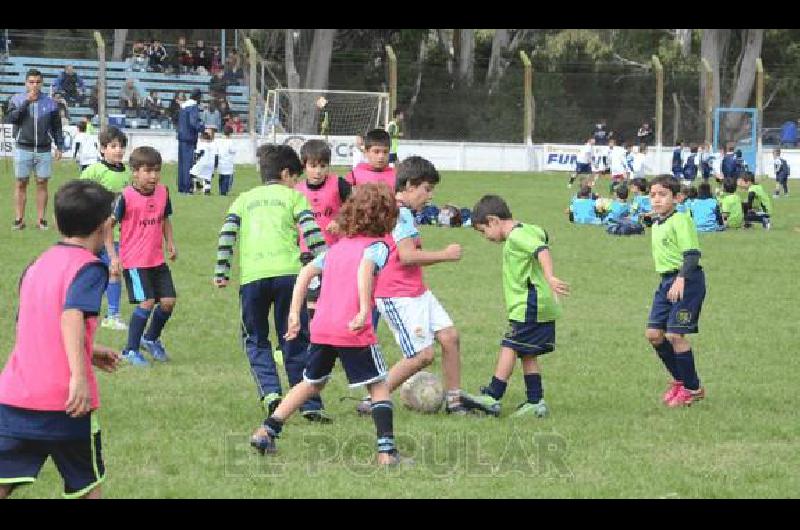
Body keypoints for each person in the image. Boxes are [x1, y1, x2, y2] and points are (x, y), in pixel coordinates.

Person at [250, 183, 406, 465]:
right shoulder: (378, 246)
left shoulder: (337, 248)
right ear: (387, 218)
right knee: (379, 386)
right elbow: (365, 270)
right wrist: (361, 310)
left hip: (322, 327)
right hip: (351, 329)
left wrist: (295, 314)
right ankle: (387, 453)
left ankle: (266, 430)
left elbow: (306, 273)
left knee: (311, 382)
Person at [0, 179, 121, 499]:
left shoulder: (36, 265)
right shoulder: (90, 268)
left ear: (57, 221)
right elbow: (71, 315)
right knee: (87, 488)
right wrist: (79, 376)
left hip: (15, 397)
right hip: (66, 402)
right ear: (105, 226)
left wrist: (88, 349)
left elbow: (35, 325)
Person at [356, 156, 493, 416]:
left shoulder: (402, 212)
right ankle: (372, 400)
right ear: (408, 186)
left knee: (450, 337)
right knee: (422, 355)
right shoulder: (399, 213)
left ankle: (454, 402)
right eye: (426, 189)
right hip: (398, 294)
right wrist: (446, 254)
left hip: (416, 290)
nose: (429, 196)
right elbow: (406, 256)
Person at [214, 144, 330, 422]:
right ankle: (309, 403)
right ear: (287, 173)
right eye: (296, 177)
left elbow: (227, 234)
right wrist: (328, 262)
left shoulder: (244, 199)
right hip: (290, 276)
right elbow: (312, 233)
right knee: (295, 337)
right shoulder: (294, 197)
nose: (296, 183)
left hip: (253, 278)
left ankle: (271, 394)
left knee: (256, 339)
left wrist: (222, 270)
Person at [467, 194, 569, 418]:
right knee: (527, 352)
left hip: (529, 305)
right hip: (539, 304)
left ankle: (493, 396)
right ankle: (536, 401)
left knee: (510, 345)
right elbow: (542, 234)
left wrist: (550, 277)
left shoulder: (517, 236)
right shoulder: (528, 229)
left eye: (483, 231)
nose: (486, 237)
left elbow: (541, 249)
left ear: (493, 221)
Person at [644, 175, 706, 407]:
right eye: (653, 195)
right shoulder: (658, 222)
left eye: (663, 194)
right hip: (666, 282)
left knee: (675, 335)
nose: (657, 199)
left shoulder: (681, 219)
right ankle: (680, 381)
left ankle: (693, 388)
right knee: (654, 334)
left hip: (687, 281)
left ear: (677, 198)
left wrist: (681, 279)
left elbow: (692, 255)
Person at [113, 147, 178, 367]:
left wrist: (170, 242)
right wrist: (113, 257)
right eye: (147, 171)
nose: (153, 176)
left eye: (157, 171)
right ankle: (130, 349)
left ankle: (150, 339)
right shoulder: (125, 197)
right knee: (147, 301)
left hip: (156, 260)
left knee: (168, 302)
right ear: (135, 172)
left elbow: (164, 219)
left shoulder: (163, 192)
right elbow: (106, 227)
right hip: (134, 262)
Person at [80, 127, 131, 331]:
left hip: (116, 234)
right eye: (113, 146)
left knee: (114, 270)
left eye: (121, 146)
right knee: (89, 273)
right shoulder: (93, 171)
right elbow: (78, 194)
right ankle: (81, 310)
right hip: (93, 233)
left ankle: (112, 314)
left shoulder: (127, 174)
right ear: (102, 149)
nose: (118, 150)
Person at [5, 68, 65, 231]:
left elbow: (56, 127)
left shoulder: (50, 102)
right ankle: (19, 219)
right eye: (31, 82)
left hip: (44, 149)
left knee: (42, 183)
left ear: (42, 83)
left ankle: (41, 219)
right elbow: (12, 119)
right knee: (21, 183)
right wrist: (27, 102)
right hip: (23, 147)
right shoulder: (17, 100)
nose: (34, 85)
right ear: (26, 83)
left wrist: (59, 146)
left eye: (38, 82)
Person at [177, 89, 204, 194]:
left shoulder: (184, 106)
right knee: (188, 163)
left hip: (181, 137)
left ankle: (181, 186)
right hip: (189, 138)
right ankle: (187, 187)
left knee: (182, 164)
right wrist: (202, 128)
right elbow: (193, 123)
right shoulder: (193, 107)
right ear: (198, 97)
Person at [190, 131, 216, 195]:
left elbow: (198, 154)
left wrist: (194, 162)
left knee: (192, 173)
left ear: (202, 138)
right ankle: (207, 191)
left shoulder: (201, 144)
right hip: (211, 164)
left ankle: (193, 188)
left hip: (202, 163)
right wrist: (214, 168)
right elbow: (216, 156)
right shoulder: (213, 145)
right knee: (207, 178)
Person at [216, 125, 237, 196]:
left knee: (221, 177)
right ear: (230, 134)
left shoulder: (219, 141)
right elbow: (233, 150)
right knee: (227, 178)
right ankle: (224, 191)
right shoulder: (230, 142)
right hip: (228, 162)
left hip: (221, 162)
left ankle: (221, 190)